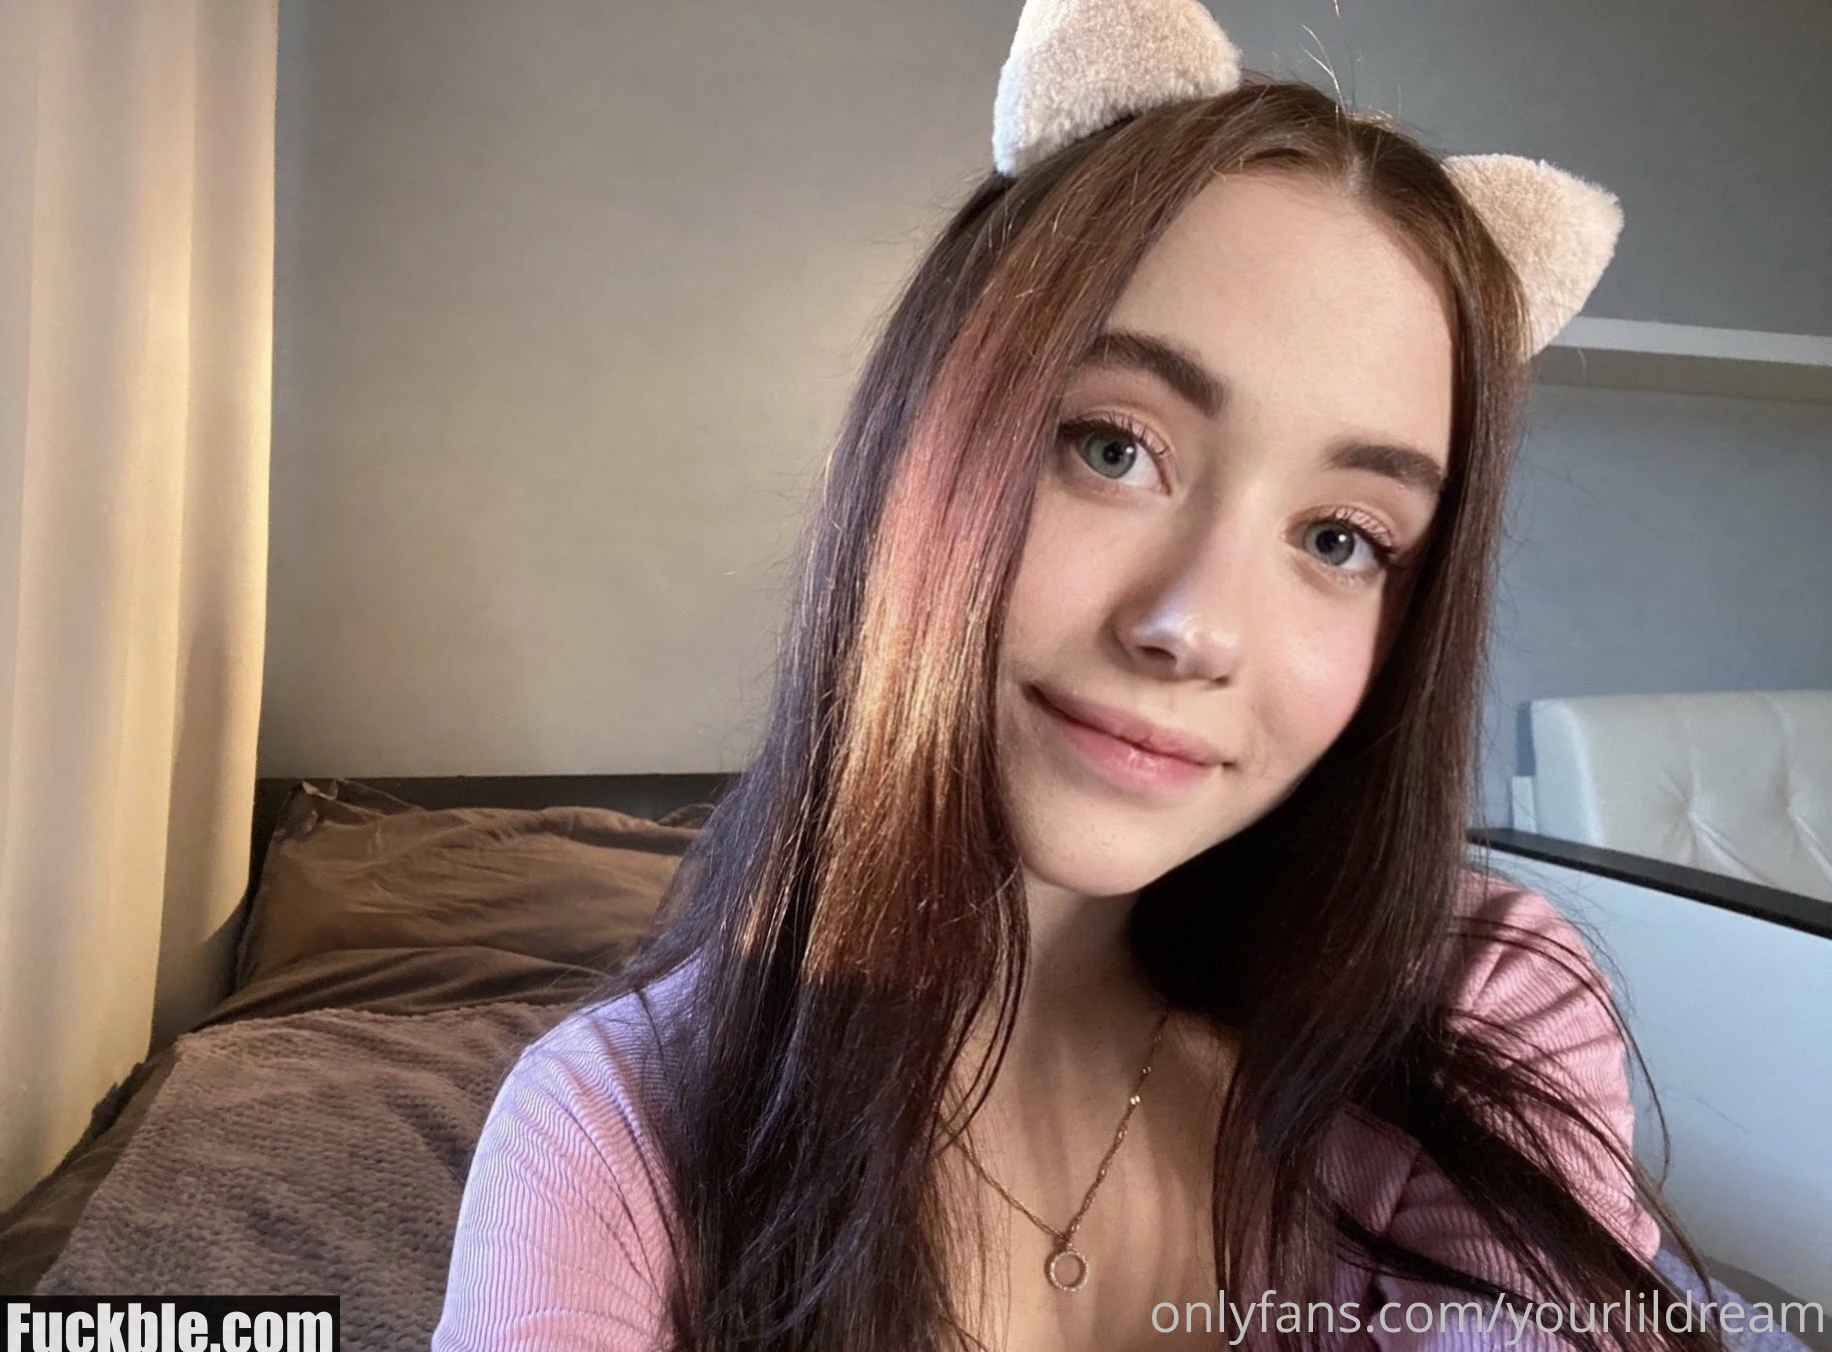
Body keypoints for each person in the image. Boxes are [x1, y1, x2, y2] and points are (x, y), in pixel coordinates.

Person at [435, 2, 1728, 1348]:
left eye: (1341, 539)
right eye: (1115, 448)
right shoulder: (617, 1136)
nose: (1196, 629)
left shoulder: (1474, 1004)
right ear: (925, 443)